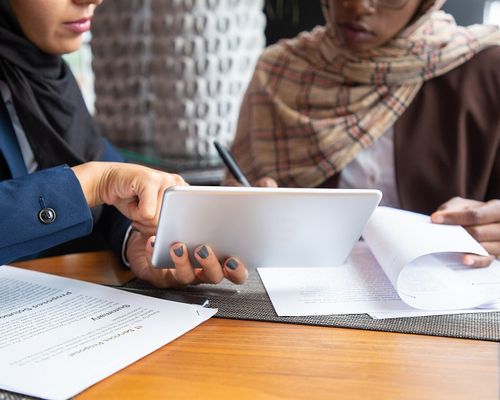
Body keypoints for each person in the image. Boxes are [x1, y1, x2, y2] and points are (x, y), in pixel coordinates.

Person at [228, 0, 500, 267]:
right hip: (294, 292)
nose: (357, 6)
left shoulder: (487, 71)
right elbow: (234, 214)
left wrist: (491, 228)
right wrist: (241, 210)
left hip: (448, 295)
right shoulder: (278, 73)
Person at [0, 0, 247, 287]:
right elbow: (100, 178)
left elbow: (112, 186)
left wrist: (139, 242)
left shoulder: (44, 77)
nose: (92, 0)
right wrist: (94, 183)